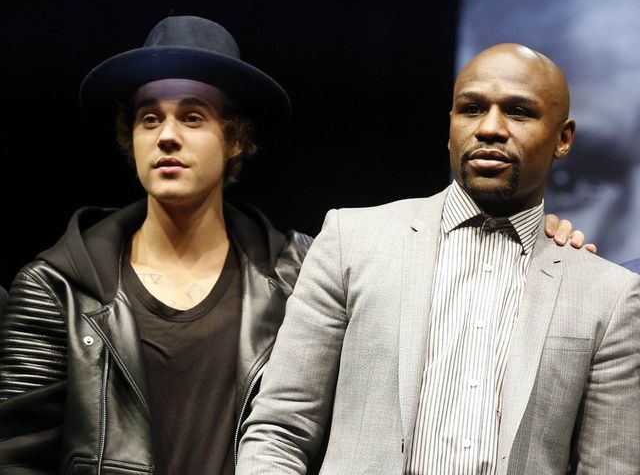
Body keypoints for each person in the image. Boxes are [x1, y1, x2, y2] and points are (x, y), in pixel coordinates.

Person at [237, 43, 640, 474]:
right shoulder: (350, 242)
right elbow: (280, 430)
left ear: (563, 139)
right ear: (450, 125)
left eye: (519, 112)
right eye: (472, 109)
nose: (490, 128)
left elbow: (610, 466)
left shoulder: (609, 296)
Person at [0, 16, 312, 474]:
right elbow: (17, 459)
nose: (166, 135)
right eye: (150, 119)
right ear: (131, 137)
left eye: (192, 117)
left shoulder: (297, 279)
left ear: (236, 139)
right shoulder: (57, 290)